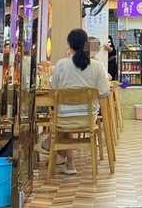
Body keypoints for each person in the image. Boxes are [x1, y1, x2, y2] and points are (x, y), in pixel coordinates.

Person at [36, 28, 109, 175]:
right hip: (88, 119)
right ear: (87, 44)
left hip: (64, 118)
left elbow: (53, 88)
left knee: (65, 116)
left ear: (69, 45)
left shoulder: (61, 65)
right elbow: (104, 92)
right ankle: (66, 161)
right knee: (69, 116)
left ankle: (53, 149)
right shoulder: (97, 66)